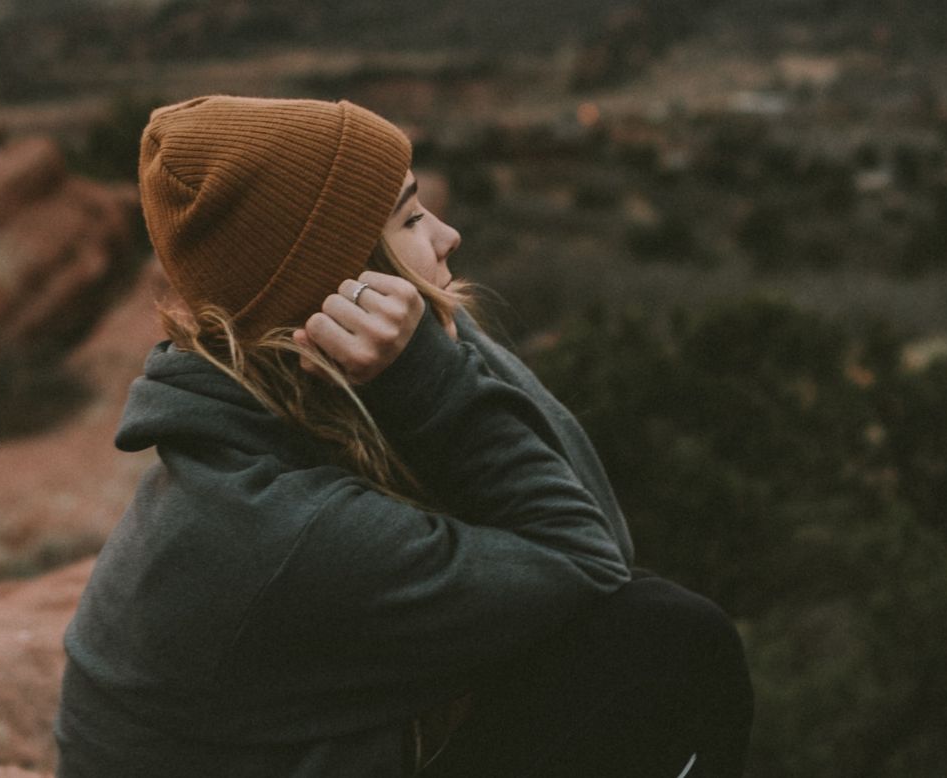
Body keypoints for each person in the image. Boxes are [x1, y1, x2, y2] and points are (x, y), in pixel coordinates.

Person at [54, 94, 753, 778]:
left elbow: (601, 537)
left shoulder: (274, 402)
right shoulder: (287, 528)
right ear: (343, 289)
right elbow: (588, 561)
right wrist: (428, 371)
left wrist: (431, 339)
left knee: (641, 628)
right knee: (669, 641)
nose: (448, 236)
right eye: (412, 217)